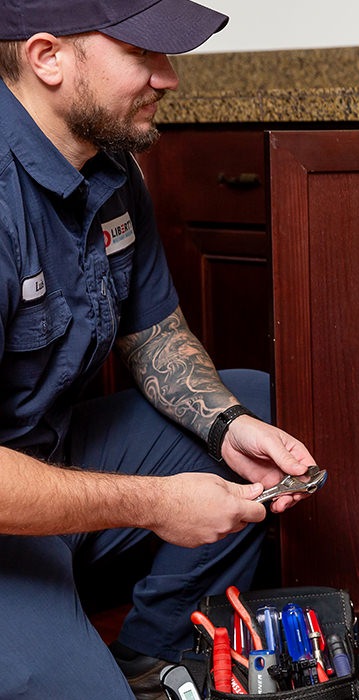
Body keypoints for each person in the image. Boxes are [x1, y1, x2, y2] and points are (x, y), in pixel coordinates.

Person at [0, 2, 319, 698]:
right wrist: (152, 503)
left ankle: (152, 653)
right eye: (142, 55)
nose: (168, 77)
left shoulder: (108, 166)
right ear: (48, 58)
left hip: (48, 456)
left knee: (256, 404)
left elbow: (154, 332)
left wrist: (229, 426)